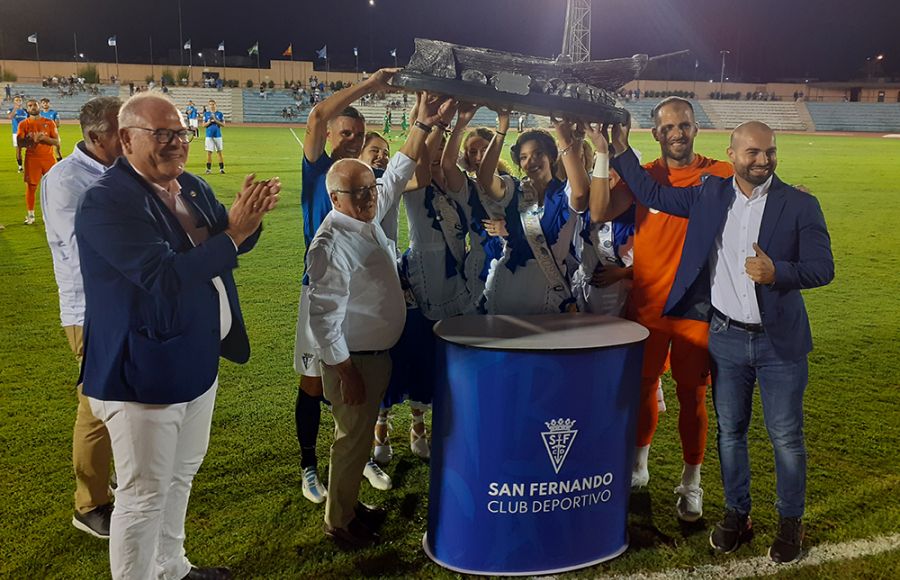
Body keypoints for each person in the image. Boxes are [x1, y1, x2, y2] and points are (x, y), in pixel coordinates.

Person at [609, 120, 834, 564]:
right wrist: (618, 149)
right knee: (731, 434)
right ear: (732, 155)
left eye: (769, 152)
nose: (762, 160)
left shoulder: (800, 203)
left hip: (779, 345)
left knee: (785, 438)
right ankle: (737, 514)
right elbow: (653, 195)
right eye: (752, 152)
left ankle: (790, 522)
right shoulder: (710, 194)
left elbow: (823, 268)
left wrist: (779, 273)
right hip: (727, 339)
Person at [75, 92, 280, 580]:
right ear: (126, 139)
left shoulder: (189, 185)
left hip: (194, 359)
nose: (176, 143)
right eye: (161, 134)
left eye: (181, 133)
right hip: (143, 371)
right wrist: (232, 235)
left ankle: (172, 567)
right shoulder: (106, 201)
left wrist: (245, 225)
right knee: (143, 492)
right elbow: (164, 276)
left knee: (181, 475)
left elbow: (226, 241)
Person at [307, 92, 451, 550]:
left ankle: (348, 508)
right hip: (356, 361)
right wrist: (345, 370)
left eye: (372, 190)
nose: (372, 198)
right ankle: (338, 523)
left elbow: (401, 171)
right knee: (350, 443)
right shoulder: (331, 242)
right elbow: (323, 317)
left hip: (373, 355)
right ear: (336, 197)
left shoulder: (363, 215)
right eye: (361, 193)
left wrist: (422, 126)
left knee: (356, 441)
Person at [591, 97, 734, 522]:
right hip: (647, 306)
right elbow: (598, 210)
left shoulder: (719, 174)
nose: (677, 132)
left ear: (695, 128)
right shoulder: (645, 174)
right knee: (642, 389)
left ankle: (692, 482)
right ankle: (639, 465)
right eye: (668, 126)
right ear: (654, 133)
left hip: (696, 307)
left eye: (684, 124)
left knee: (693, 397)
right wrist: (602, 152)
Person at [293, 69, 404, 503]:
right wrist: (372, 85)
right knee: (314, 381)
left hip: (360, 295)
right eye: (346, 132)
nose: (352, 140)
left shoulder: (364, 179)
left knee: (361, 376)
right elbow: (319, 114)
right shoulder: (319, 170)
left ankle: (360, 456)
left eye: (359, 134)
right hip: (319, 287)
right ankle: (308, 465)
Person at [41, 96, 123, 539]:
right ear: (94, 137)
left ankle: (112, 482)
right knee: (96, 406)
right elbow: (84, 252)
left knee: (121, 401)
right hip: (89, 311)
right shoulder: (66, 180)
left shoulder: (117, 172)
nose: (128, 137)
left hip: (122, 305)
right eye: (118, 130)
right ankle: (89, 504)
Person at [476, 112, 592, 315]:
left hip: (546, 286)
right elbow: (485, 179)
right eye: (524, 157)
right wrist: (502, 127)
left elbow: (581, 193)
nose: (531, 161)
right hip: (509, 282)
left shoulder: (565, 192)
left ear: (552, 156)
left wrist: (565, 139)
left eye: (538, 153)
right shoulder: (513, 188)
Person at [17, 98, 60, 225]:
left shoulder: (49, 122)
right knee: (31, 188)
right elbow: (20, 143)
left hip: (48, 159)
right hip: (32, 160)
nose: (33, 107)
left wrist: (44, 139)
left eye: (35, 105)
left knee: (53, 188)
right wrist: (33, 141)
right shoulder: (23, 124)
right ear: (27, 109)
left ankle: (52, 214)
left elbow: (57, 142)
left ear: (39, 107)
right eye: (30, 106)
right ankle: (31, 216)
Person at [203, 99, 225, 174]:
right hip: (209, 135)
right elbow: (203, 125)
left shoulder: (220, 114)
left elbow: (223, 124)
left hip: (218, 135)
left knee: (219, 152)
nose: (212, 106)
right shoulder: (206, 114)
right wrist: (209, 122)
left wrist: (216, 120)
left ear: (216, 105)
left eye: (213, 104)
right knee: (209, 152)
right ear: (209, 106)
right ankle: (208, 169)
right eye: (210, 104)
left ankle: (221, 169)